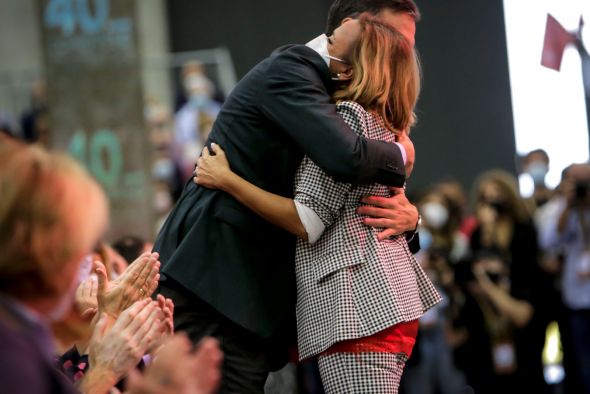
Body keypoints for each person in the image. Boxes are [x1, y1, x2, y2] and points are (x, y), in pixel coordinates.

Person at [154, 1, 422, 391]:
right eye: (394, 38)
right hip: (219, 287)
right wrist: (402, 154)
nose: (402, 52)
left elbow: (360, 202)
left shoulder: (356, 110)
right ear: (352, 26)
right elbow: (344, 159)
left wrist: (411, 216)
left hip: (299, 304)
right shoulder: (293, 71)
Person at [453, 170, 549, 394]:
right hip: (487, 316)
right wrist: (486, 230)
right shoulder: (478, 234)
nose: (492, 203)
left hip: (520, 307)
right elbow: (470, 268)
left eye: (497, 196)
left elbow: (528, 270)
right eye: (485, 198)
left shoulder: (524, 230)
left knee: (528, 375)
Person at [538, 163, 590, 394]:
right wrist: (568, 206)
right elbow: (549, 241)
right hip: (577, 299)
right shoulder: (562, 208)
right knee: (584, 365)